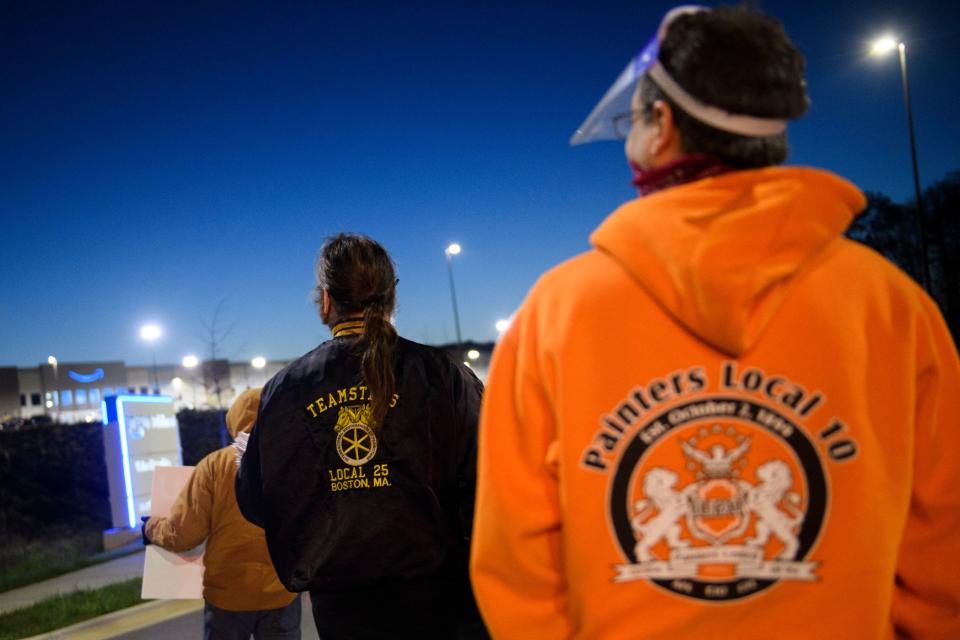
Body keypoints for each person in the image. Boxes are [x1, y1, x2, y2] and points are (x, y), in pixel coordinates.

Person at [470, 5, 960, 639]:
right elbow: (942, 544)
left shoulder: (558, 310)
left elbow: (516, 558)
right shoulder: (891, 303)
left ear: (661, 124)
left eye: (631, 121)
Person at [236, 233, 485, 639]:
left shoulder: (285, 390)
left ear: (327, 301)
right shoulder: (444, 376)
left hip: (340, 607)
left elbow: (255, 501)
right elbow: (488, 480)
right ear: (392, 298)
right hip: (441, 601)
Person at [143, 388, 301, 640]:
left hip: (228, 595)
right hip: (283, 590)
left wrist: (151, 528)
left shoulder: (214, 466)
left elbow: (184, 534)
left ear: (235, 420)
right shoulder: (294, 462)